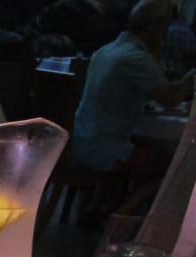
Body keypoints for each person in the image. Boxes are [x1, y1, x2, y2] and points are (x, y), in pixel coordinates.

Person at [72, 0, 195, 217]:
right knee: (173, 168)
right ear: (154, 28)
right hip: (106, 150)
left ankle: (99, 208)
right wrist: (193, 76)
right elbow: (171, 97)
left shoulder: (107, 50)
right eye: (165, 26)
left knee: (146, 150)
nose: (166, 33)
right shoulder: (136, 59)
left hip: (82, 139)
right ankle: (121, 219)